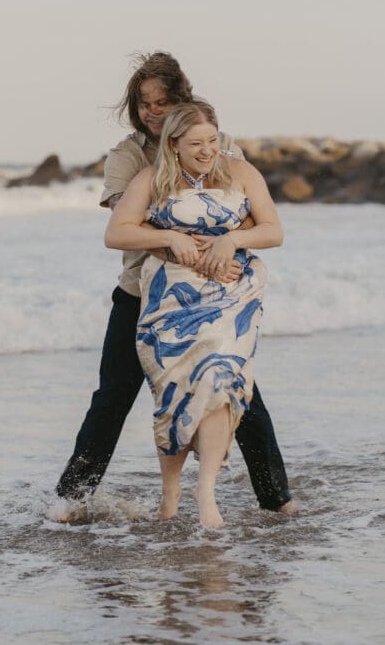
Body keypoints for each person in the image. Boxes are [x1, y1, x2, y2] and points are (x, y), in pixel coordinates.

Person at [54, 51, 295, 518]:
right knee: (113, 397)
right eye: (144, 103)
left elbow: (246, 210)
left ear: (181, 99)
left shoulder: (217, 144)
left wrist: (225, 243)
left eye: (161, 101)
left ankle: (276, 499)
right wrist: (178, 242)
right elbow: (131, 222)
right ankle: (72, 497)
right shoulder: (130, 158)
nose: (152, 111)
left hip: (215, 296)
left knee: (237, 391)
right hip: (141, 294)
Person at [104, 100, 283, 527]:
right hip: (170, 295)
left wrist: (232, 241)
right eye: (196, 143)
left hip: (230, 292)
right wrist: (168, 236)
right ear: (174, 145)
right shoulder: (152, 178)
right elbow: (116, 233)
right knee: (174, 394)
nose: (207, 150)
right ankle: (171, 493)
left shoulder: (239, 171)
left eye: (213, 140)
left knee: (219, 380)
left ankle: (206, 494)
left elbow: (273, 230)